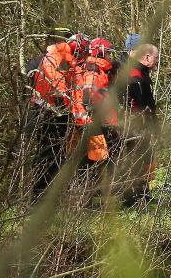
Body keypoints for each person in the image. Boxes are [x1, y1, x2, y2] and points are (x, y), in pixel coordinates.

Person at [26, 34, 77, 198]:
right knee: (52, 156)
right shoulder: (61, 60)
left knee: (44, 155)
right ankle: (44, 195)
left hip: (37, 111)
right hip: (54, 115)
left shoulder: (37, 61)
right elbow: (60, 91)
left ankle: (41, 194)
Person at [115, 41, 158, 206]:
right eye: (156, 58)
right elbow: (131, 102)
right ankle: (130, 197)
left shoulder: (142, 71)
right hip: (133, 125)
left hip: (142, 124)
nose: (157, 61)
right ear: (146, 57)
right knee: (134, 159)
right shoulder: (132, 73)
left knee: (146, 158)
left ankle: (142, 193)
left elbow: (148, 101)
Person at [69, 37, 116, 166]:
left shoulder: (90, 69)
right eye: (108, 53)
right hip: (93, 126)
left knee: (90, 163)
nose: (110, 56)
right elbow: (88, 100)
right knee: (98, 164)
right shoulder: (93, 72)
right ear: (101, 53)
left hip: (86, 124)